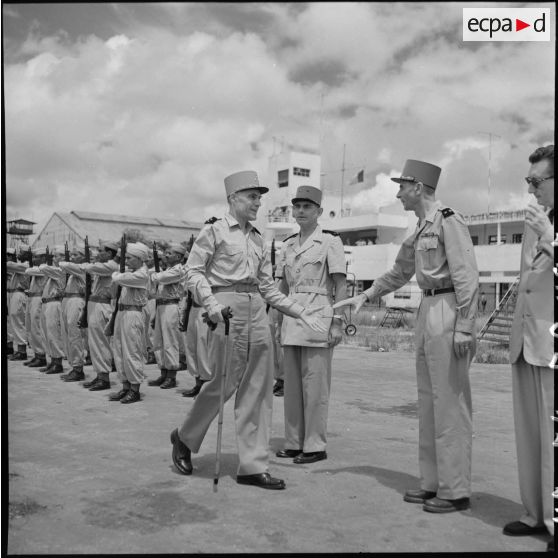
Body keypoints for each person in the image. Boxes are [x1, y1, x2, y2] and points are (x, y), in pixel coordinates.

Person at [334, 159, 479, 513]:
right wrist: (366, 295)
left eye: (402, 186)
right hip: (427, 311)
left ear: (418, 187)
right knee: (429, 402)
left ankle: (455, 489)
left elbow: (466, 276)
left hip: (448, 308)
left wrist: (465, 326)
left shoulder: (448, 220)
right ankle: (433, 483)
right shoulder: (417, 230)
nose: (398, 193)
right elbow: (399, 273)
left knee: (450, 404)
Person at [169, 170, 327, 490]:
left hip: (257, 310)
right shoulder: (214, 230)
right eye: (253, 196)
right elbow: (193, 272)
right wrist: (212, 306)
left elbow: (268, 288)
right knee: (222, 384)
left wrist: (300, 311)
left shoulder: (258, 237)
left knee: (258, 390)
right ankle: (184, 438)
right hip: (226, 308)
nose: (258, 203)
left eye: (260, 197)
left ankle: (253, 466)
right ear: (234, 198)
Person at [502, 145, 554, 551]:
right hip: (526, 341)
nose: (531, 189)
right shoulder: (535, 221)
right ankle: (535, 513)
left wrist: (551, 239)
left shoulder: (545, 227)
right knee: (530, 436)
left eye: (537, 181)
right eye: (528, 181)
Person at [274, 185, 347, 464]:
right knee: (291, 386)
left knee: (315, 387)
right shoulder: (288, 243)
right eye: (297, 206)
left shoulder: (330, 241)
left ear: (319, 211)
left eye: (307, 207)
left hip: (318, 317)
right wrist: (275, 318)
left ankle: (314, 445)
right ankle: (293, 441)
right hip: (292, 318)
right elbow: (282, 285)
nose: (301, 211)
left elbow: (340, 284)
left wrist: (338, 322)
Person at [108, 242, 150, 404]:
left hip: (133, 314)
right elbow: (114, 289)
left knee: (132, 351)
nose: (127, 261)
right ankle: (125, 386)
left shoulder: (141, 274)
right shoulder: (130, 273)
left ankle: (135, 389)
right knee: (119, 350)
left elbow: (118, 278)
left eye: (131, 258)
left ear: (140, 259)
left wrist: (117, 274)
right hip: (121, 312)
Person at [148, 242, 187, 390]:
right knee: (158, 341)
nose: (166, 255)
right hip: (161, 305)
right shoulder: (168, 270)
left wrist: (154, 274)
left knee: (170, 341)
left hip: (171, 306)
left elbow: (159, 278)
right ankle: (163, 372)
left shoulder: (178, 270)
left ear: (178, 256)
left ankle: (171, 375)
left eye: (169, 253)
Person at [81, 240, 119, 391]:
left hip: (102, 306)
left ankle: (104, 378)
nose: (97, 253)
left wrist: (84, 265)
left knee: (101, 343)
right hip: (95, 304)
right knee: (94, 343)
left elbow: (89, 268)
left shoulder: (111, 266)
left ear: (109, 253)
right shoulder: (102, 266)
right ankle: (99, 375)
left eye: (100, 250)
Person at [59, 247, 87, 382]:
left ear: (83, 257)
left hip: (76, 301)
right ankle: (74, 366)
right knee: (68, 335)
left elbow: (64, 264)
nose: (72, 257)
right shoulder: (73, 271)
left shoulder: (82, 268)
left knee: (75, 335)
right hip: (68, 300)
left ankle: (78, 368)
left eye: (76, 254)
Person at [38, 246, 67, 374]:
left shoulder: (60, 270)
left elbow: (42, 267)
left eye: (56, 256)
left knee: (54, 333)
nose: (54, 258)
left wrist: (50, 262)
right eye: (53, 256)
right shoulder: (54, 270)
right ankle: (52, 360)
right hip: (47, 303)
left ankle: (58, 362)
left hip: (54, 303)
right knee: (46, 334)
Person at [23, 248, 48, 368]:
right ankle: (36, 354)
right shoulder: (36, 270)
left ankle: (41, 355)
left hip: (38, 299)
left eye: (36, 257)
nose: (33, 259)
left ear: (43, 258)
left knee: (36, 327)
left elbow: (27, 270)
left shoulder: (44, 268)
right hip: (31, 298)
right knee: (30, 327)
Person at [6, 250, 30, 361]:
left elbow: (9, 265)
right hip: (13, 293)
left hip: (19, 293)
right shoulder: (18, 266)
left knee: (18, 322)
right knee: (13, 321)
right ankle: (19, 349)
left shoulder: (25, 265)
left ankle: (22, 351)